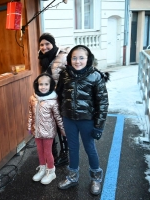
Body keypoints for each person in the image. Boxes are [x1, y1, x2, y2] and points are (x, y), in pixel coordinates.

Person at [56, 45, 109, 195]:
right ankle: (72, 177)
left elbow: (103, 103)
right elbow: (59, 95)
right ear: (69, 59)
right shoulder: (64, 74)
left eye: (81, 57)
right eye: (74, 57)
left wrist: (99, 126)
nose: (77, 61)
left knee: (89, 148)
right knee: (72, 148)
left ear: (88, 59)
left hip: (87, 120)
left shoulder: (95, 76)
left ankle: (96, 177)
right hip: (69, 119)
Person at [27, 73, 65, 185]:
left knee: (48, 151)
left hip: (48, 131)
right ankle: (42, 168)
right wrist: (29, 126)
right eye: (40, 84)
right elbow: (30, 113)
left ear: (51, 85)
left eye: (46, 84)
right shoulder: (33, 98)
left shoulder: (53, 100)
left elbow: (58, 116)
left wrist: (62, 129)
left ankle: (51, 171)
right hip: (37, 130)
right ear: (36, 85)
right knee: (40, 150)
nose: (43, 87)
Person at [38, 33, 69, 167]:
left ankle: (65, 154)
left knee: (62, 127)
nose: (44, 47)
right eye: (41, 45)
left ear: (53, 44)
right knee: (51, 126)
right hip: (49, 99)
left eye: (47, 44)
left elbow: (70, 77)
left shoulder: (62, 57)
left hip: (61, 99)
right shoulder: (42, 58)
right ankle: (53, 153)